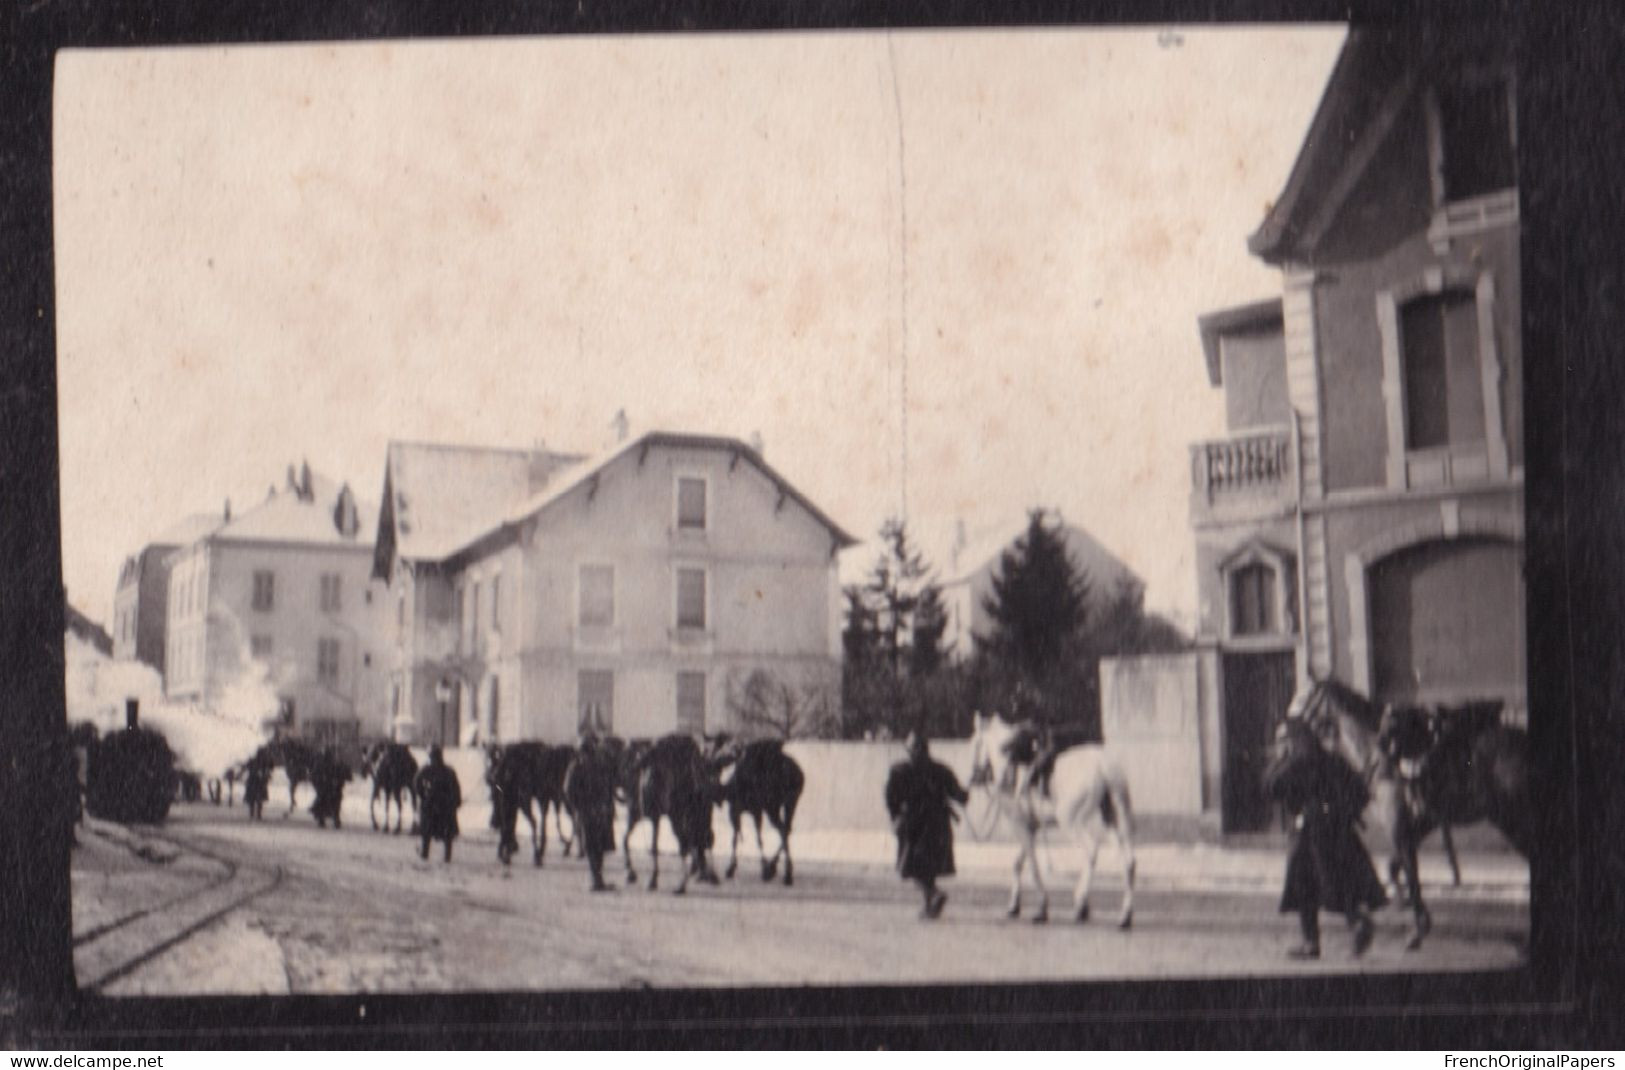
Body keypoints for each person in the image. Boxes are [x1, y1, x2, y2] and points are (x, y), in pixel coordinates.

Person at [1269, 720, 1388, 959]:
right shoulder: (1333, 759)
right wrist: (1342, 813)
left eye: (1284, 740)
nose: (1282, 745)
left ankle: (1315, 940)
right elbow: (1362, 793)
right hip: (1339, 833)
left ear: (1294, 741)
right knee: (1334, 883)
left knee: (1309, 885)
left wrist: (1280, 760)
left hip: (1310, 835)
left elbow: (1270, 787)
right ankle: (1353, 923)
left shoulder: (1295, 764)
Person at [884, 730, 969, 920]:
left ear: (909, 749)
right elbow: (960, 796)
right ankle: (930, 905)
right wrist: (968, 789)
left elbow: (891, 799)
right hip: (938, 826)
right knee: (925, 868)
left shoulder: (899, 771)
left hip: (914, 826)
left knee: (910, 867)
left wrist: (895, 818)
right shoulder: (941, 770)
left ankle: (934, 895)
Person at [563, 729, 618, 892]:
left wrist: (577, 807)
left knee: (595, 846)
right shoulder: (585, 766)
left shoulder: (582, 766)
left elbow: (567, 790)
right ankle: (596, 879)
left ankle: (597, 879)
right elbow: (569, 790)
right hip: (595, 811)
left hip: (593, 811)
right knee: (595, 847)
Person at [415, 744, 462, 863]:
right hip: (446, 805)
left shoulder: (426, 769)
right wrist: (456, 802)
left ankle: (425, 853)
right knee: (447, 833)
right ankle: (447, 856)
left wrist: (423, 796)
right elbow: (456, 788)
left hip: (431, 804)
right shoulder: (449, 771)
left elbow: (416, 784)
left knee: (427, 831)